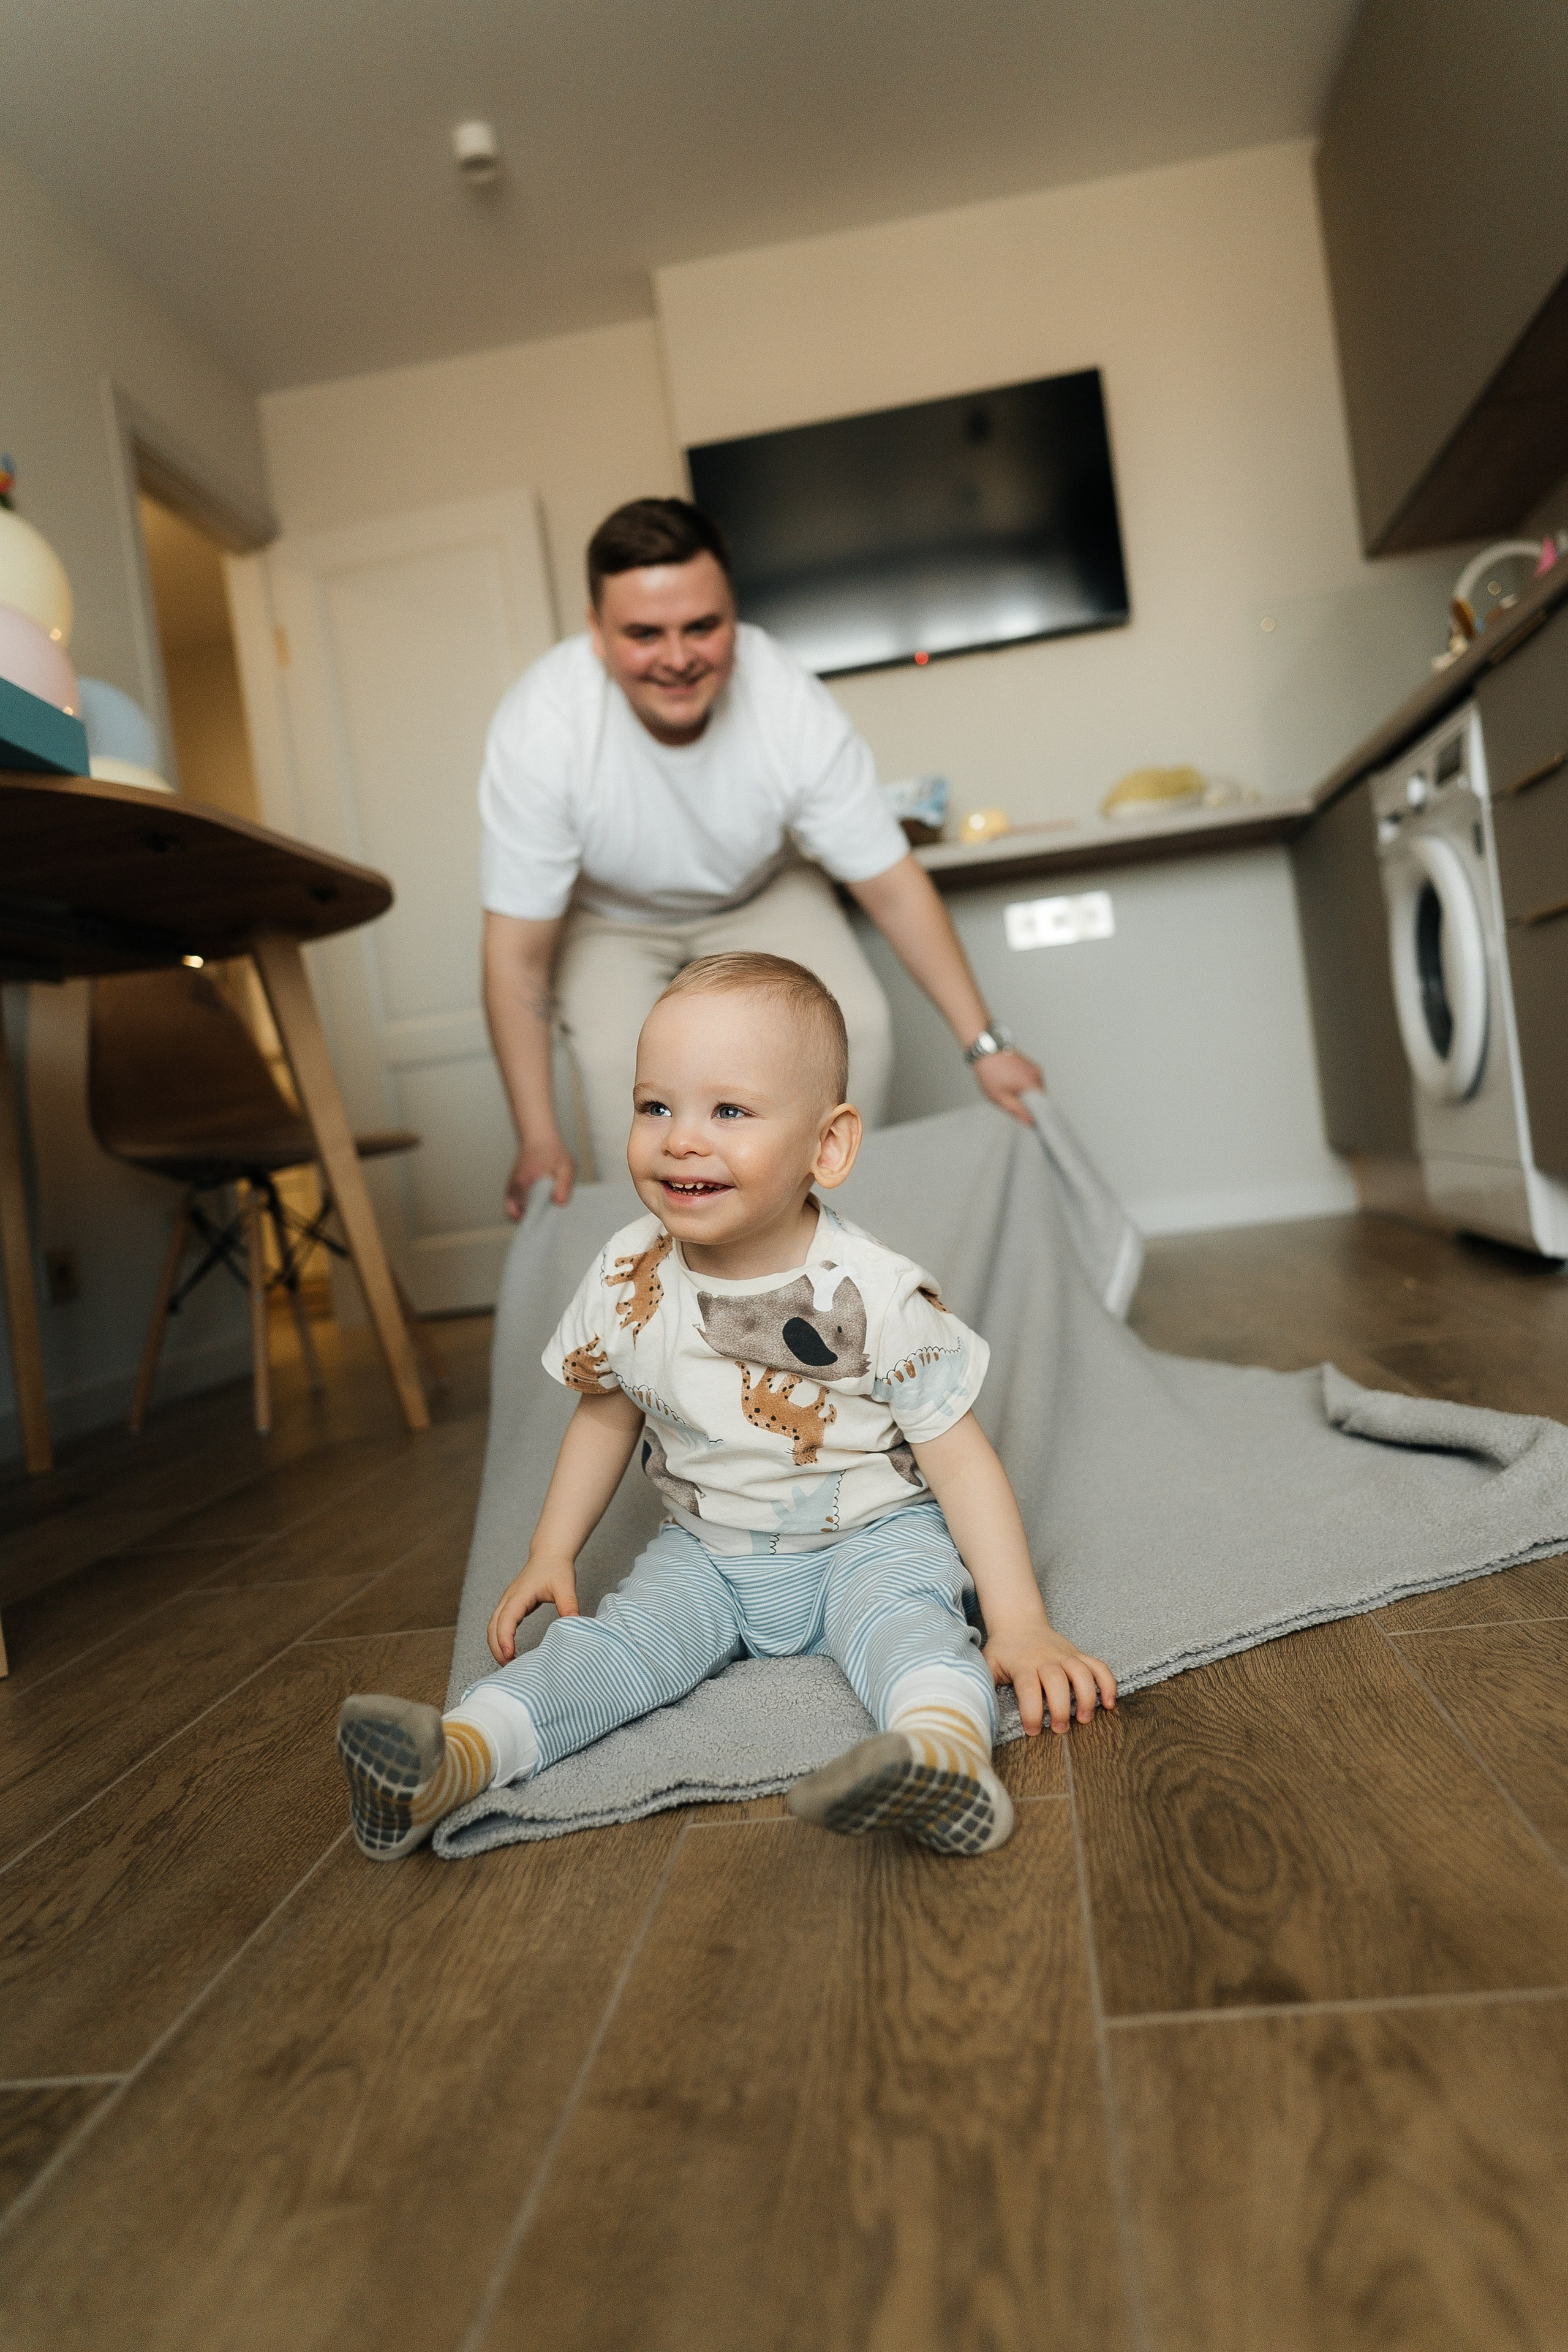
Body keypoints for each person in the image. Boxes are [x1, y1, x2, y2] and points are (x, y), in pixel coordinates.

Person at [337, 952, 1115, 1862]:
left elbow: (960, 1458)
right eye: (654, 1106)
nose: (680, 1139)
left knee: (913, 1634)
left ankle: (942, 1761)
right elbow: (604, 1411)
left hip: (866, 1542)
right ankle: (459, 1758)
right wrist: (553, 1549)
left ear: (828, 1147)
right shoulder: (628, 1273)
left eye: (729, 1111)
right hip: (705, 1556)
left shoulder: (878, 1295)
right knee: (607, 1651)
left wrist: (1017, 1620)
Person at [479, 496, 1044, 1205]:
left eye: (702, 627)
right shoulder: (542, 727)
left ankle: (834, 1258)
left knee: (858, 1028)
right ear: (596, 632)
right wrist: (535, 1136)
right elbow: (517, 954)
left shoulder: (786, 702)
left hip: (764, 891)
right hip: (609, 916)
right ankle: (668, 1294)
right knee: (612, 1069)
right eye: (644, 634)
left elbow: (893, 887)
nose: (679, 658)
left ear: (735, 619)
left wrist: (985, 1046)